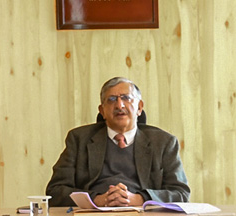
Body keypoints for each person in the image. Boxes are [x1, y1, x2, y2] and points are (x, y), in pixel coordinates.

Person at [45, 77, 190, 207]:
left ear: (139, 107)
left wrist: (140, 199)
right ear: (102, 111)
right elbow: (55, 191)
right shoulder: (79, 139)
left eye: (126, 98)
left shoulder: (163, 142)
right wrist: (96, 200)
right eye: (112, 99)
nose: (119, 105)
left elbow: (181, 194)